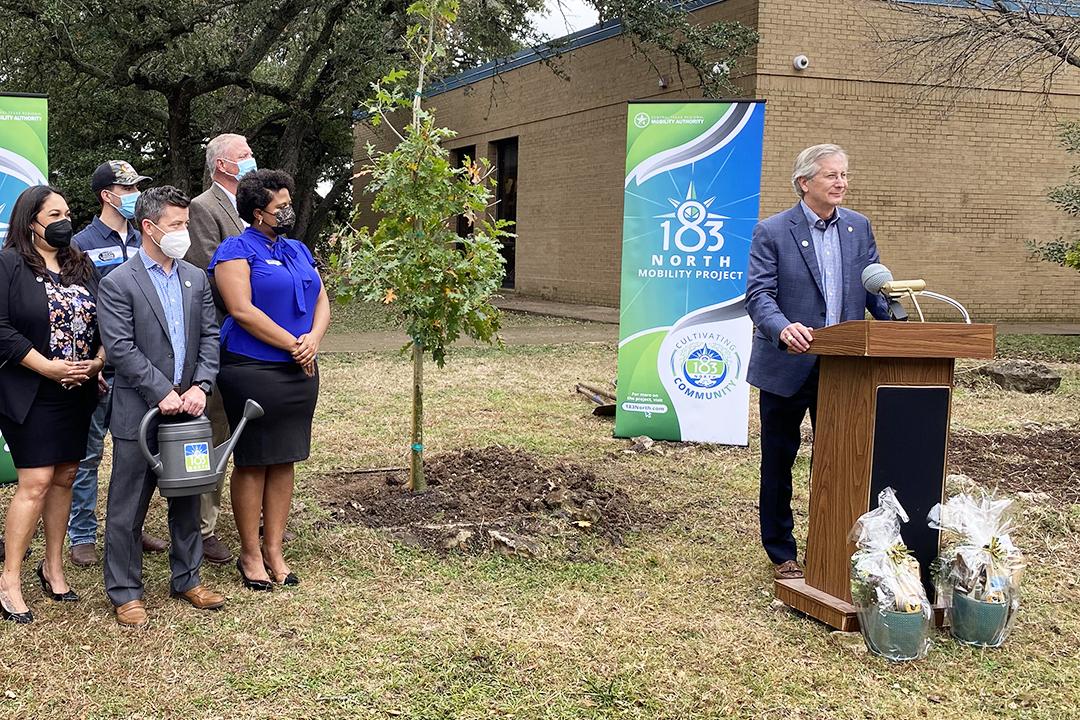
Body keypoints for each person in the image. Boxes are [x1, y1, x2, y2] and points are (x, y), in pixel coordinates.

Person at [745, 144, 891, 581]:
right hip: (788, 365)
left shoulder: (858, 228)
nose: (842, 183)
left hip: (845, 367)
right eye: (832, 176)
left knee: (844, 460)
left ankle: (836, 544)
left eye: (844, 175)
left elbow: (874, 286)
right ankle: (781, 551)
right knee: (779, 460)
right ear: (805, 182)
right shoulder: (772, 231)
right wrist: (782, 327)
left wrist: (896, 325)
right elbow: (759, 296)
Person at [97, 186, 226, 628]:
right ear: (149, 228)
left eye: (185, 223)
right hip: (141, 413)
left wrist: (202, 386)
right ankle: (125, 591)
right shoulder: (118, 282)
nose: (184, 232)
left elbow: (210, 336)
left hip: (190, 411)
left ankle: (187, 577)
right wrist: (160, 390)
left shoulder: (194, 278)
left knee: (188, 497)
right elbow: (120, 347)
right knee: (128, 504)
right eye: (176, 225)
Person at [209, 169, 328, 590]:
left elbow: (320, 299)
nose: (288, 211)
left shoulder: (297, 248)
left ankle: (274, 548)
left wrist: (312, 340)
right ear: (258, 212)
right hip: (252, 367)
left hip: (300, 368)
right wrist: (294, 345)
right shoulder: (234, 250)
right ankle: (250, 552)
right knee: (255, 458)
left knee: (285, 457)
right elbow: (241, 310)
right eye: (281, 206)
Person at [0, 186, 103, 623]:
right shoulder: (7, 265)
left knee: (66, 476)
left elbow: (107, 320)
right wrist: (47, 367)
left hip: (77, 390)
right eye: (54, 213)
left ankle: (53, 566)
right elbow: (0, 327)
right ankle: (9, 579)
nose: (64, 220)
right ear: (30, 222)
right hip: (30, 389)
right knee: (37, 481)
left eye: (67, 212)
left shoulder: (81, 265)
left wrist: (98, 361)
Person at [68, 160, 168, 568]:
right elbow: (84, 308)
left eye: (137, 189)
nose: (134, 196)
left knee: (136, 454)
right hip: (100, 369)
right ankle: (82, 533)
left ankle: (131, 526)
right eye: (127, 190)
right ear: (107, 195)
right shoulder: (80, 243)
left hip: (141, 370)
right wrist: (97, 363)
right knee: (89, 454)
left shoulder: (148, 238)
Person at [185, 133, 255, 565]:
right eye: (244, 155)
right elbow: (208, 271)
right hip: (219, 333)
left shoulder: (253, 210)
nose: (251, 159)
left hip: (252, 339)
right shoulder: (202, 208)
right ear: (223, 166)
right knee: (211, 430)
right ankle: (200, 527)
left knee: (237, 426)